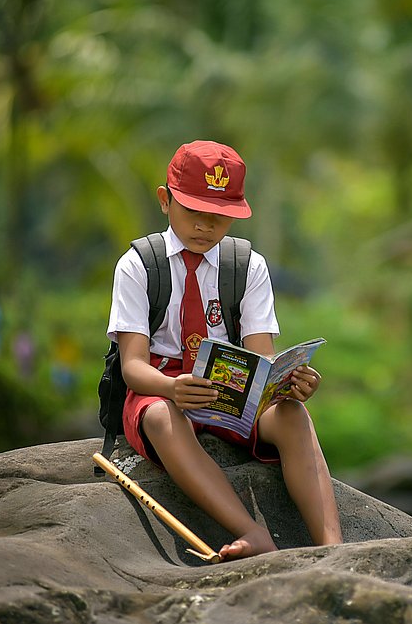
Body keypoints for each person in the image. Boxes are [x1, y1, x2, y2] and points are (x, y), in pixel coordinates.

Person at [107, 140, 342, 561]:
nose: (205, 226)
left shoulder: (246, 266)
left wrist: (287, 384)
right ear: (165, 200)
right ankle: (251, 531)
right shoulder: (139, 265)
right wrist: (171, 387)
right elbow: (132, 366)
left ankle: (333, 547)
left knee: (292, 415)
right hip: (162, 385)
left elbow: (261, 358)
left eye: (219, 217)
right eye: (193, 211)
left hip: (228, 386)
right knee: (161, 416)